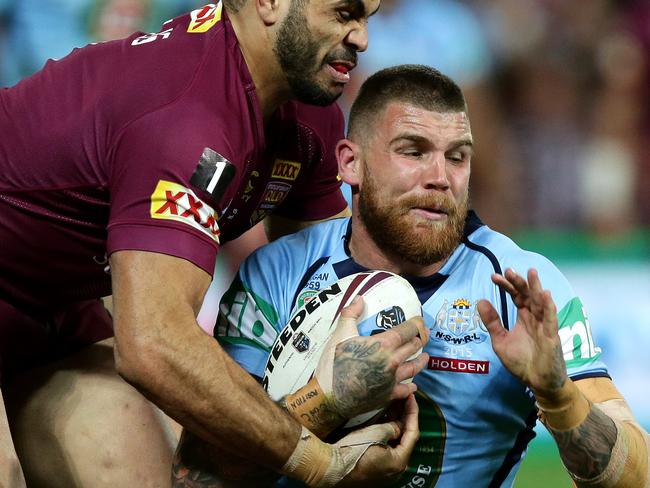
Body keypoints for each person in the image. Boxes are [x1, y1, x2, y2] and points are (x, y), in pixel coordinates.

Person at [0, 1, 432, 486]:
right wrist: (319, 462)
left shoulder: (309, 119)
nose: (361, 38)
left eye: (366, 17)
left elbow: (332, 293)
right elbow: (154, 345)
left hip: (57, 312)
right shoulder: (185, 113)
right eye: (342, 12)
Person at [201, 65, 650, 486]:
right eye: (413, 151)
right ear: (350, 163)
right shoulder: (274, 276)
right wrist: (324, 400)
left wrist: (558, 397)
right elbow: (200, 473)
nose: (440, 177)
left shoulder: (519, 290)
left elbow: (637, 476)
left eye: (457, 157)